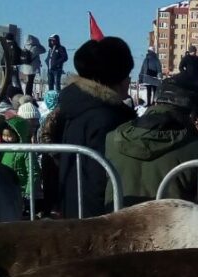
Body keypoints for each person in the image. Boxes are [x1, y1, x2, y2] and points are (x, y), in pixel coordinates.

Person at [41, 36, 137, 218]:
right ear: (115, 79)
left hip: (72, 209)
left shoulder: (74, 107)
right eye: (127, 76)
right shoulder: (107, 117)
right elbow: (100, 177)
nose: (129, 82)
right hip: (99, 218)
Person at [105, 74, 198, 207]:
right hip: (170, 225)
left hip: (117, 224)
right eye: (197, 118)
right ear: (192, 113)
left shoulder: (112, 138)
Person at [0, 116, 41, 209]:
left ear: (19, 134)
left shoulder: (26, 151)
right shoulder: (4, 150)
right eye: (4, 135)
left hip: (22, 191)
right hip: (6, 189)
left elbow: (33, 172)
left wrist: (29, 192)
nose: (6, 138)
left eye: (9, 136)